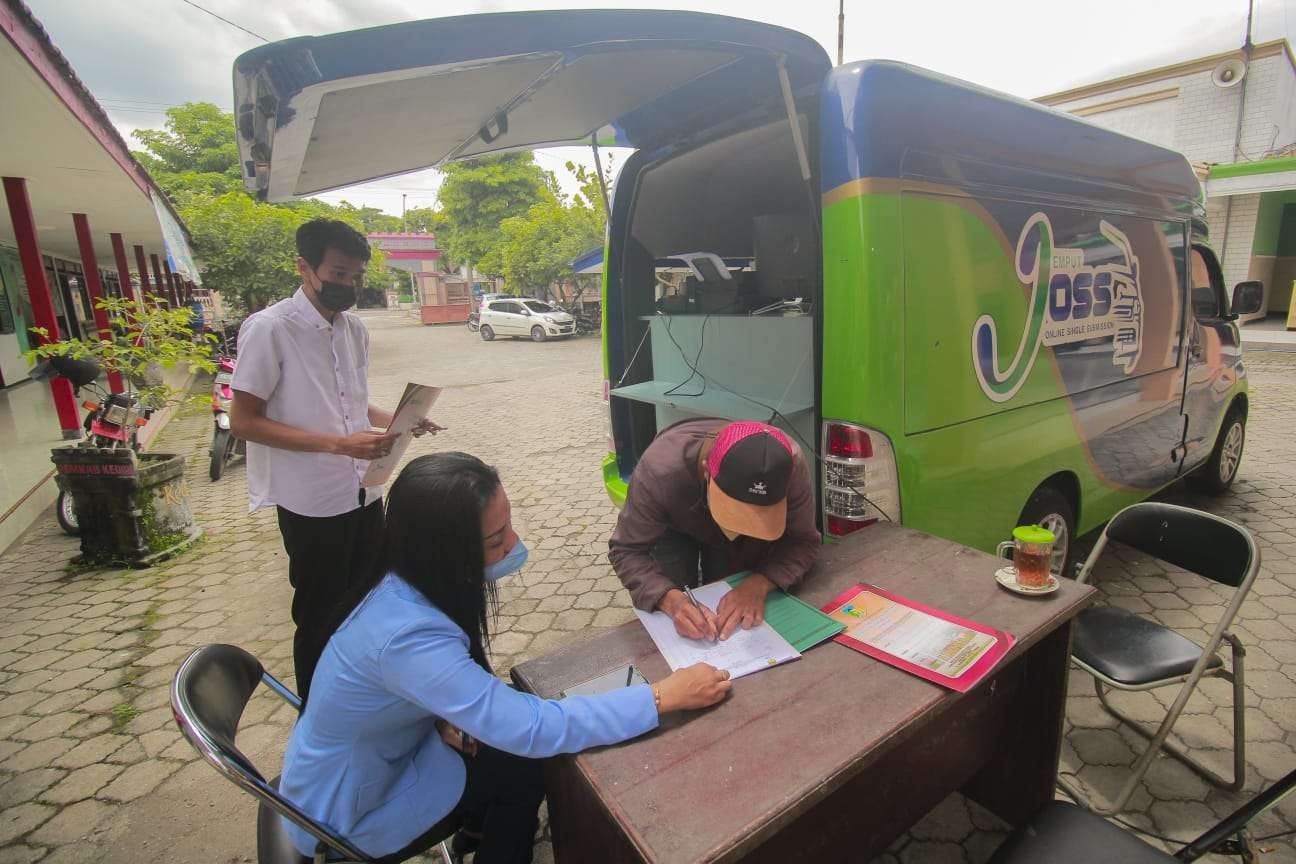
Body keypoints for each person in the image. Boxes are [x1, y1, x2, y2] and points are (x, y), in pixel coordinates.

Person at [281, 453, 731, 863]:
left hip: (385, 754)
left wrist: (442, 715)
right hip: (350, 808)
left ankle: (477, 831)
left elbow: (420, 690)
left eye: (509, 523)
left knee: (512, 744)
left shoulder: (401, 579)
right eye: (496, 538)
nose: (513, 542)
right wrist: (660, 697)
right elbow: (531, 728)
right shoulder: (407, 638)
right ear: (444, 553)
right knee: (526, 764)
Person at [229, 218, 439, 703]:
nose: (348, 285)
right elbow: (243, 422)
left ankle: (364, 696)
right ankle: (318, 716)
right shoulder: (270, 330)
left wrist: (399, 420)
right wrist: (339, 445)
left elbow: (352, 401)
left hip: (366, 489)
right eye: (339, 273)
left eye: (356, 277)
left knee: (369, 600)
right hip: (312, 502)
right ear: (305, 267)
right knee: (321, 614)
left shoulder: (353, 329)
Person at [609, 418, 820, 641]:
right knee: (671, 598)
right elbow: (626, 550)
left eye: (756, 517)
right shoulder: (660, 472)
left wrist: (759, 583)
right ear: (706, 471)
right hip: (674, 519)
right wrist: (671, 601)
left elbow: (803, 542)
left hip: (742, 542)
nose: (739, 528)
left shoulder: (789, 466)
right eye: (735, 514)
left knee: (728, 596)